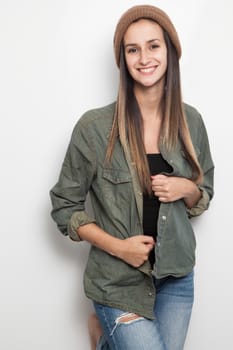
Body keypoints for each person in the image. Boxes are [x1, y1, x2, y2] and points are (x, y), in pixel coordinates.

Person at [50, 5, 214, 350]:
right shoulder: (94, 128)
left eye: (153, 46)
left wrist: (187, 188)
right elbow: (64, 207)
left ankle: (102, 341)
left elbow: (204, 194)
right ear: (123, 59)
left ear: (170, 50)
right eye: (132, 49)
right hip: (116, 282)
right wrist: (119, 248)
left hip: (177, 276)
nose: (144, 58)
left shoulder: (191, 122)